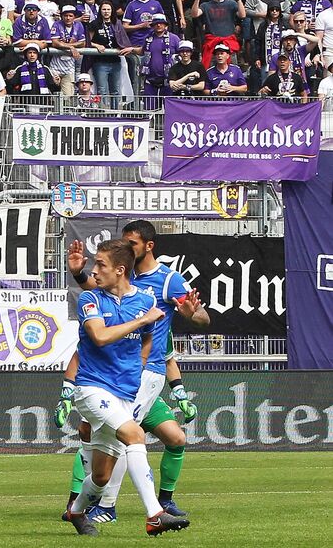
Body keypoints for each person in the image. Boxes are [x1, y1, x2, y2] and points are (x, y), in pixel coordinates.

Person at [60, 220, 209, 525]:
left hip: (139, 378)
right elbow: (103, 307)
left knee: (111, 462)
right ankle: (151, 513)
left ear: (148, 246)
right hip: (99, 383)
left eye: (133, 242)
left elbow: (197, 320)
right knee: (130, 434)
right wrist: (78, 274)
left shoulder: (164, 283)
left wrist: (192, 314)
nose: (128, 247)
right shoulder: (108, 289)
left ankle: (82, 509)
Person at [89, 1, 133, 108]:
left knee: (116, 90)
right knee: (102, 89)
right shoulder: (94, 24)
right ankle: (103, 113)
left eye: (108, 9)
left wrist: (123, 46)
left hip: (115, 62)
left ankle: (115, 113)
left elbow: (124, 41)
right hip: (100, 62)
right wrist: (96, 45)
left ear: (112, 11)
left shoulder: (117, 23)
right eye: (104, 9)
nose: (106, 12)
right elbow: (87, 41)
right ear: (100, 11)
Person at [131, 13, 179, 105]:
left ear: (165, 25)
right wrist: (131, 49)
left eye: (161, 23)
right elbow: (142, 50)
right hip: (150, 79)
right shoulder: (148, 38)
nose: (158, 25)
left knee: (168, 109)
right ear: (152, 26)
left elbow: (181, 54)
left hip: (169, 80)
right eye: (156, 23)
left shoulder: (174, 38)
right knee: (149, 109)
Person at [122, 0, 165, 90]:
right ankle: (135, 102)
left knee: (152, 75)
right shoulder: (132, 5)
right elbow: (124, 26)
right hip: (136, 44)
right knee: (135, 76)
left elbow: (163, 23)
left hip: (154, 45)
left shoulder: (156, 4)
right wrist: (141, 26)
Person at [191, 0, 246, 69]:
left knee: (232, 70)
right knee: (210, 70)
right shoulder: (205, 5)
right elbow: (194, 14)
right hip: (212, 44)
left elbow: (242, 15)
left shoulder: (232, 3)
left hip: (229, 43)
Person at [52, 5, 88, 95]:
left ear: (74, 16)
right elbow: (54, 42)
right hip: (55, 67)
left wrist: (65, 45)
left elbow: (83, 43)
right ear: (62, 16)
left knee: (68, 97)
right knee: (53, 95)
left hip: (69, 68)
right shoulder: (57, 24)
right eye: (65, 15)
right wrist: (71, 47)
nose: (68, 18)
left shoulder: (78, 25)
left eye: (70, 16)